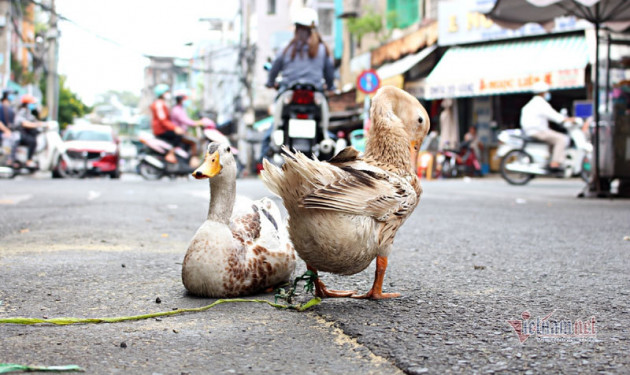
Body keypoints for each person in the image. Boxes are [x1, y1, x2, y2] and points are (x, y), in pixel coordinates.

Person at [264, 7, 335, 159]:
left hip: (288, 95)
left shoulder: (286, 48)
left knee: (274, 127)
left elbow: (274, 68)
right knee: (324, 127)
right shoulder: (322, 49)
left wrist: (270, 82)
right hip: (316, 96)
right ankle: (326, 140)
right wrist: (330, 87)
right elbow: (330, 73)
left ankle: (270, 146)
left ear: (296, 28)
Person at [520, 82, 577, 172]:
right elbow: (555, 116)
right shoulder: (540, 103)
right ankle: (555, 163)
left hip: (531, 131)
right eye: (546, 92)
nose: (547, 94)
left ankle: (550, 160)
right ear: (543, 92)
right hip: (538, 131)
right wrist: (569, 119)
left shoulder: (531, 104)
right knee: (562, 139)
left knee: (553, 139)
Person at [150, 84, 183, 164]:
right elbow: (163, 120)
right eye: (166, 92)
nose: (168, 93)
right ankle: (170, 154)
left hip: (163, 129)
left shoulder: (162, 103)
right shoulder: (159, 104)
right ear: (162, 93)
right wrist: (174, 128)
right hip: (161, 130)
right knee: (178, 135)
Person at [171, 91, 201, 165]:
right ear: (181, 99)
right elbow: (185, 120)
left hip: (182, 132)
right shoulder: (177, 110)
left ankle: (187, 161)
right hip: (178, 135)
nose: (187, 100)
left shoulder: (180, 109)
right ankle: (193, 163)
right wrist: (196, 123)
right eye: (185, 98)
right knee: (195, 141)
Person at [14, 94, 44, 168]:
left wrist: (42, 124)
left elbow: (34, 120)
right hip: (20, 133)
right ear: (27, 104)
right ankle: (29, 160)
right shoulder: (22, 111)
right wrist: (36, 125)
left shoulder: (28, 112)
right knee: (32, 141)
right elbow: (24, 123)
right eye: (32, 103)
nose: (33, 105)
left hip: (25, 133)